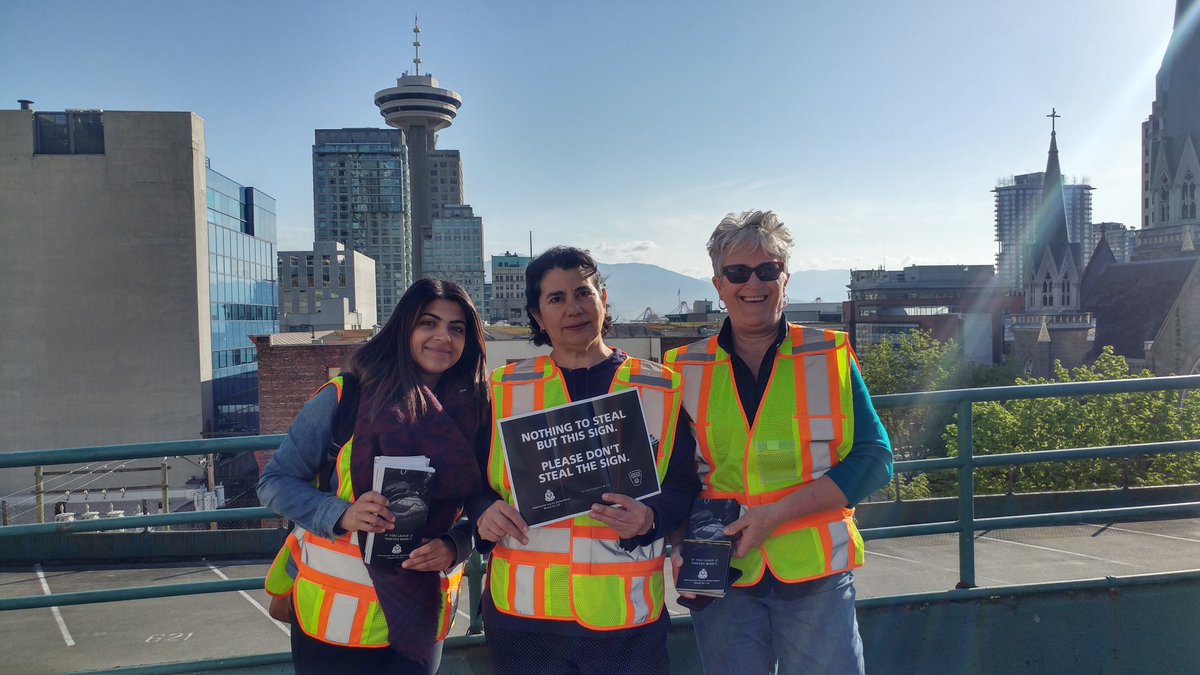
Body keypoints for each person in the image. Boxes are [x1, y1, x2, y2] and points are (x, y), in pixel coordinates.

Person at [665, 210, 893, 675]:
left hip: (813, 575)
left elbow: (875, 459)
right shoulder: (681, 368)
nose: (754, 282)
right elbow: (671, 473)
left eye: (768, 269)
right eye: (738, 272)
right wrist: (676, 542)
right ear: (718, 285)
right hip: (721, 571)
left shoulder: (829, 354)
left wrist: (776, 515)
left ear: (786, 278)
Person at [469, 246, 700, 674]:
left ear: (603, 299)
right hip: (525, 616)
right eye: (556, 299)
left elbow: (684, 483)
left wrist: (650, 518)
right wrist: (483, 512)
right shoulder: (503, 389)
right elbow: (472, 484)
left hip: (624, 618)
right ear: (537, 317)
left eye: (583, 292)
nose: (573, 308)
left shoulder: (661, 388)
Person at [257, 279, 489, 674]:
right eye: (428, 323)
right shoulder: (346, 397)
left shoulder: (477, 412)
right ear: (404, 329)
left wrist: (455, 545)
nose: (442, 337)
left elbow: (482, 503)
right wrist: (340, 514)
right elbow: (274, 482)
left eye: (456, 328)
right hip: (335, 624)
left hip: (420, 619)